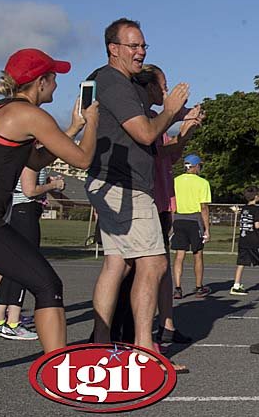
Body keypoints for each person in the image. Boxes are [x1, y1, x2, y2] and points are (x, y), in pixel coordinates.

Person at [87, 18, 189, 352]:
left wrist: (176, 117)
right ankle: (146, 349)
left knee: (116, 263)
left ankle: (101, 344)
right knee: (155, 263)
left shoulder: (109, 81)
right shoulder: (114, 82)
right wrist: (171, 111)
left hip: (109, 181)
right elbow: (145, 133)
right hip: (125, 184)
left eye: (143, 45)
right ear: (113, 49)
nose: (141, 52)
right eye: (134, 45)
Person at [0, 48, 97, 352]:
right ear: (40, 82)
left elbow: (35, 161)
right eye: (54, 78)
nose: (57, 85)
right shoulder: (30, 114)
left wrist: (72, 129)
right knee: (47, 285)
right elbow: (83, 159)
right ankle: (59, 369)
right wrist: (92, 122)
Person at [135, 64, 202, 344]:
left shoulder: (155, 118)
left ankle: (167, 324)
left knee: (160, 268)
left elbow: (169, 156)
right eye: (163, 86)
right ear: (148, 87)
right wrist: (177, 119)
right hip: (145, 201)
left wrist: (185, 130)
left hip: (162, 202)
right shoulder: (142, 120)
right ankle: (137, 333)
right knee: (145, 270)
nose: (166, 91)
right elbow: (157, 150)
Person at [0, 167, 63, 341]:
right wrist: (53, 185)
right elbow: (29, 190)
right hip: (25, 212)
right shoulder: (32, 158)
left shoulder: (30, 157)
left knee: (12, 267)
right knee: (26, 268)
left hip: (19, 211)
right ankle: (13, 322)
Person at [171, 154, 211, 298]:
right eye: (200, 165)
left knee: (179, 255)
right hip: (194, 220)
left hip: (179, 219)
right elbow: (204, 207)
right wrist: (207, 228)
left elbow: (172, 203)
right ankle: (199, 287)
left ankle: (177, 288)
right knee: (198, 254)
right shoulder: (202, 183)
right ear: (195, 166)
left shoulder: (175, 181)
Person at [230, 186, 259, 295]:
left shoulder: (243, 209)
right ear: (256, 197)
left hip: (243, 239)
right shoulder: (256, 210)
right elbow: (257, 225)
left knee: (241, 262)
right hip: (254, 241)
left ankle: (236, 285)